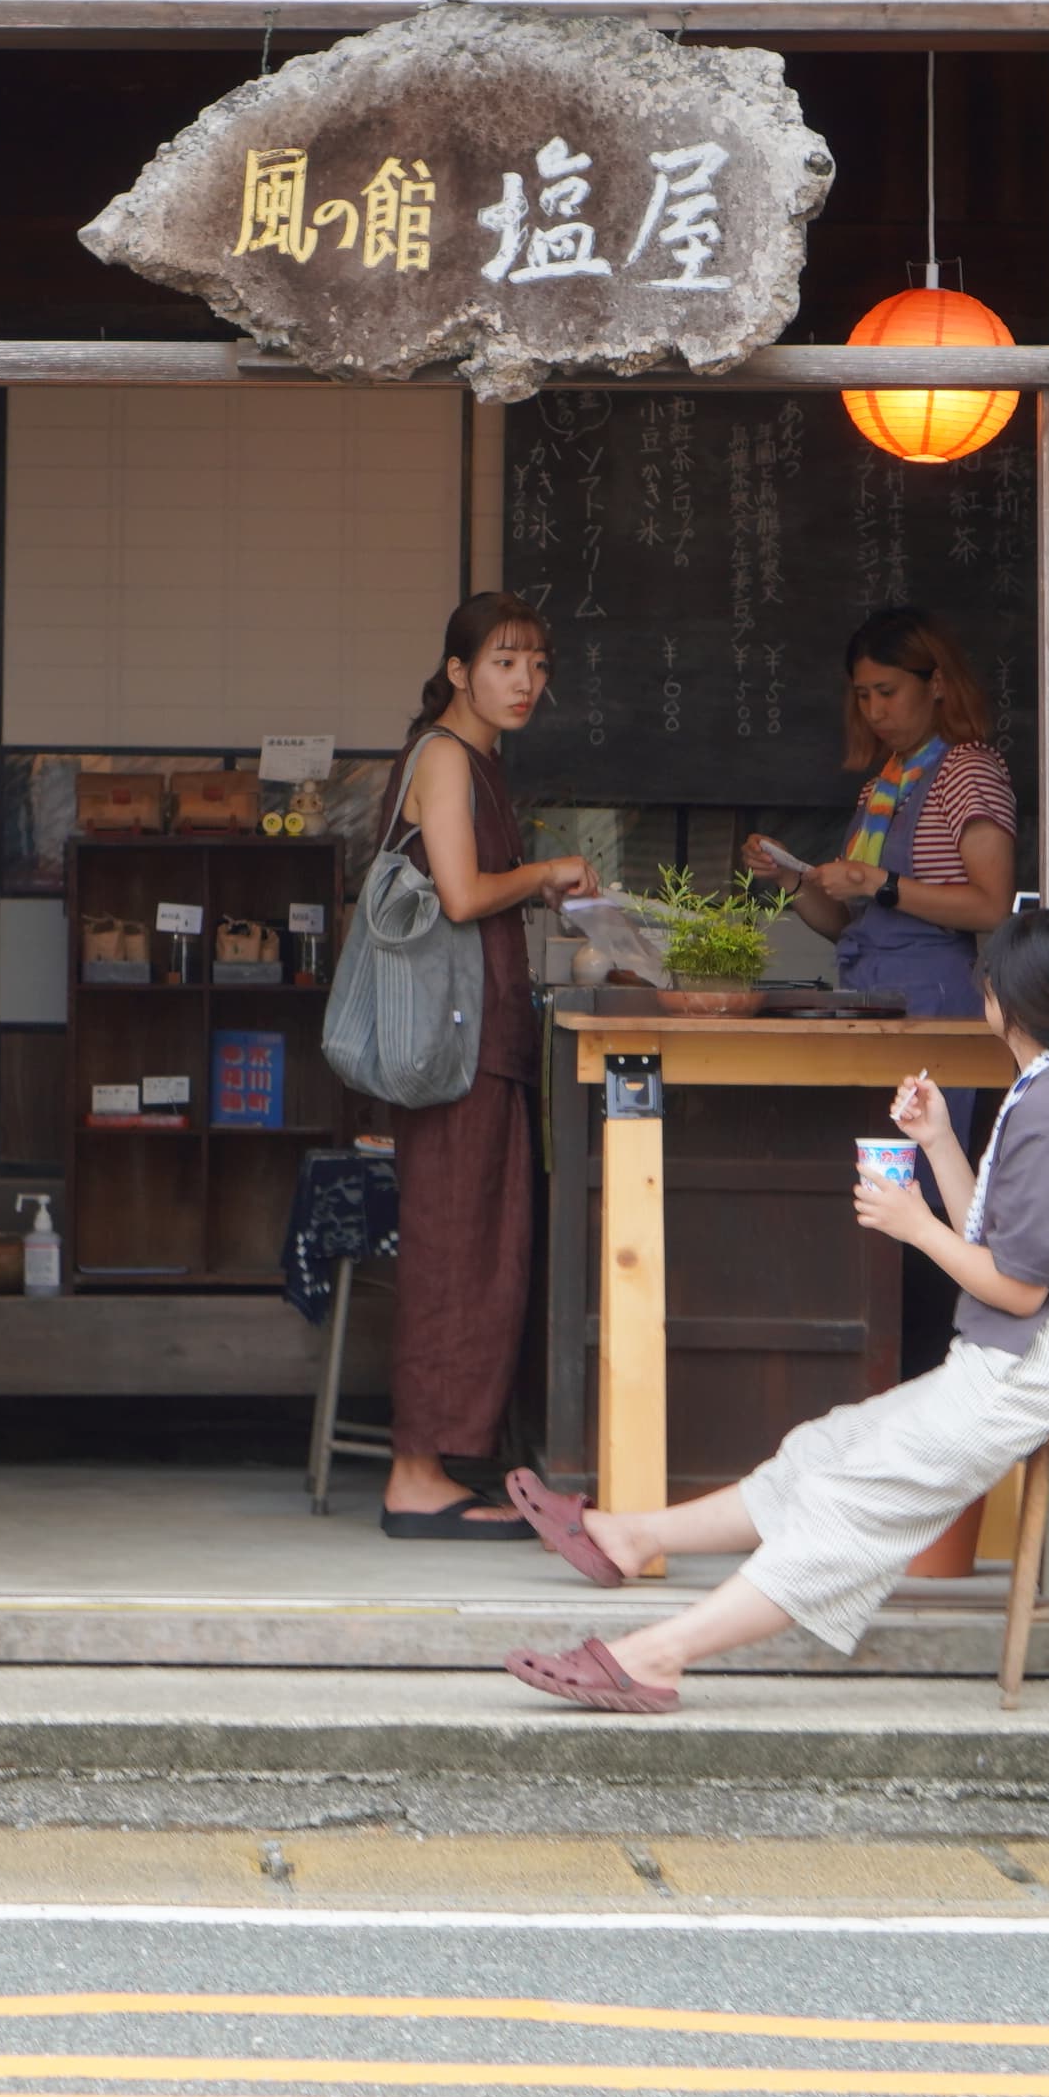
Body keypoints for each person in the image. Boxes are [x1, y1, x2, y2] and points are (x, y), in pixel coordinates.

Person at [495, 905, 1049, 1710]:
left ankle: (658, 1655)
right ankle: (633, 1536)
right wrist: (941, 1143)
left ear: (1001, 1001)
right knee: (827, 1448)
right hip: (1031, 1351)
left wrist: (912, 1226)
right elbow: (993, 1242)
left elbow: (1015, 1286)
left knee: (859, 1495)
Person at [372, 591, 599, 1537]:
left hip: (481, 1039)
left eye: (539, 665)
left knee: (482, 1250)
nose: (527, 682)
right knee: (453, 1249)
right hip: (455, 1047)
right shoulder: (444, 756)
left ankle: (444, 1462)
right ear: (460, 672)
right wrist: (546, 874)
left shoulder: (477, 763)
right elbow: (462, 896)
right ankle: (416, 1474)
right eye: (506, 662)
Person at [744, 605, 1020, 1372]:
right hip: (870, 988)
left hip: (934, 995)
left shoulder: (971, 770)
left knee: (926, 1187)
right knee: (879, 1184)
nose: (875, 709)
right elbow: (843, 923)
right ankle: (879, 1363)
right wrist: (794, 880)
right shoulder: (883, 783)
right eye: (862, 695)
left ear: (938, 686)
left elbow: (991, 905)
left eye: (889, 690)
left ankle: (936, 1360)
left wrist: (885, 884)